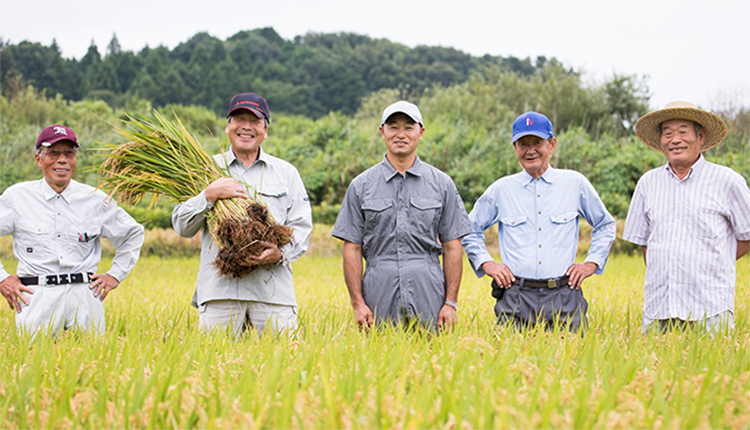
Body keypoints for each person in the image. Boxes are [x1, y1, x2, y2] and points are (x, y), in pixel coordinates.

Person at [172, 92, 312, 337]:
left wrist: (280, 253)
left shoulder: (286, 173)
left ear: (265, 130)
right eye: (239, 119)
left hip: (273, 294)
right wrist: (208, 195)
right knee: (214, 366)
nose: (246, 126)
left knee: (281, 367)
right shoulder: (204, 170)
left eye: (255, 120)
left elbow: (302, 227)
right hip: (220, 292)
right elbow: (182, 227)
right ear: (227, 126)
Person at [462, 111, 616, 332]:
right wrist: (488, 263)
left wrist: (591, 263)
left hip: (565, 293)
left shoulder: (574, 183)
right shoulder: (501, 189)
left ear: (551, 145)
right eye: (523, 144)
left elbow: (605, 224)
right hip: (516, 296)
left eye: (537, 142)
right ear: (515, 148)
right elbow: (468, 230)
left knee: (571, 361)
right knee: (511, 362)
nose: (530, 150)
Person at [332, 100, 471, 332]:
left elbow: (453, 246)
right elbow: (352, 248)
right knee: (380, 359)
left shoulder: (442, 184)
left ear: (421, 132)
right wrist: (357, 303)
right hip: (379, 286)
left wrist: (450, 303)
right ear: (382, 132)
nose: (401, 134)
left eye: (409, 127)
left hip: (429, 287)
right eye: (393, 127)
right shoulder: (361, 186)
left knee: (432, 359)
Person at [0, 124, 144, 337]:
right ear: (38, 159)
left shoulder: (94, 199)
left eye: (69, 153)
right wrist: (2, 278)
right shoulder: (17, 197)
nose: (62, 160)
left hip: (85, 295)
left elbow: (133, 233)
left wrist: (115, 275)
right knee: (34, 363)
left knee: (92, 361)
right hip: (36, 294)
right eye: (53, 153)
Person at [623, 101, 750, 336]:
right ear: (660, 141)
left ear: (700, 137)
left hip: (711, 307)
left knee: (714, 370)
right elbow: (645, 243)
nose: (675, 139)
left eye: (683, 131)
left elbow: (747, 236)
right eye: (668, 133)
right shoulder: (647, 183)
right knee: (653, 370)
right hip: (659, 307)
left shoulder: (727, 181)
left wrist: (714, 261)